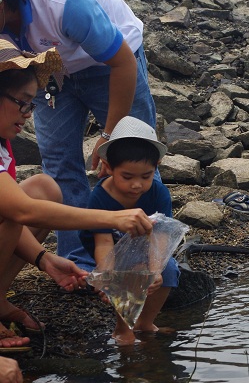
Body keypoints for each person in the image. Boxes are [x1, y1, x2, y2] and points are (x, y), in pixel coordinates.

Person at [0, 39, 153, 380]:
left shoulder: (3, 145)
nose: (28, 115)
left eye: (32, 105)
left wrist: (44, 260)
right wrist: (113, 218)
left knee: (44, 188)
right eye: (22, 104)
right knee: (27, 204)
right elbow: (20, 212)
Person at [0, 0, 158, 271]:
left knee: (133, 154)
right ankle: (80, 262)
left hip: (110, 62)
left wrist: (109, 135)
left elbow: (123, 63)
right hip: (44, 69)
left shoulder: (62, 2)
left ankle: (147, 262)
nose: (24, 115)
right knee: (58, 164)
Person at [79, 116, 179, 345]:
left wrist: (155, 270)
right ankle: (122, 328)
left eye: (146, 176)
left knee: (170, 271)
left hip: (145, 244)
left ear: (156, 167)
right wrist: (107, 276)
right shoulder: (100, 197)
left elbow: (161, 236)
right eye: (127, 177)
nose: (137, 185)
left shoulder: (158, 193)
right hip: (110, 248)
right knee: (125, 276)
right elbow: (103, 242)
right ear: (109, 168)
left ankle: (145, 322)